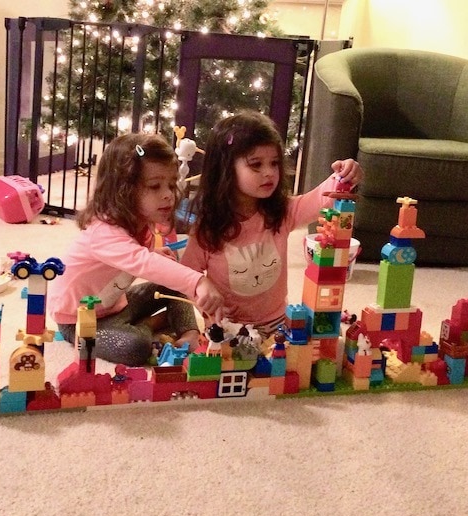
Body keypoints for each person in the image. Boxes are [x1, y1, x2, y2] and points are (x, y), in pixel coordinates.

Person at [181, 110, 363, 337]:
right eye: (256, 164)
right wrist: (202, 293)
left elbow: (318, 198)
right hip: (227, 330)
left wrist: (342, 177)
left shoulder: (281, 212)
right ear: (226, 169)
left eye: (274, 163)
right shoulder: (208, 227)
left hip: (278, 324)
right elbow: (186, 274)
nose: (269, 173)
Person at [48, 133, 224, 366]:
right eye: (154, 186)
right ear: (122, 190)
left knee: (172, 278)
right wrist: (198, 282)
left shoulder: (140, 223)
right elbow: (140, 261)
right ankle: (152, 325)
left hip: (117, 305)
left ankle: (188, 331)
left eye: (171, 185)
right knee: (136, 348)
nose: (168, 195)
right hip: (80, 320)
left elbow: (138, 259)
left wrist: (156, 255)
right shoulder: (103, 232)